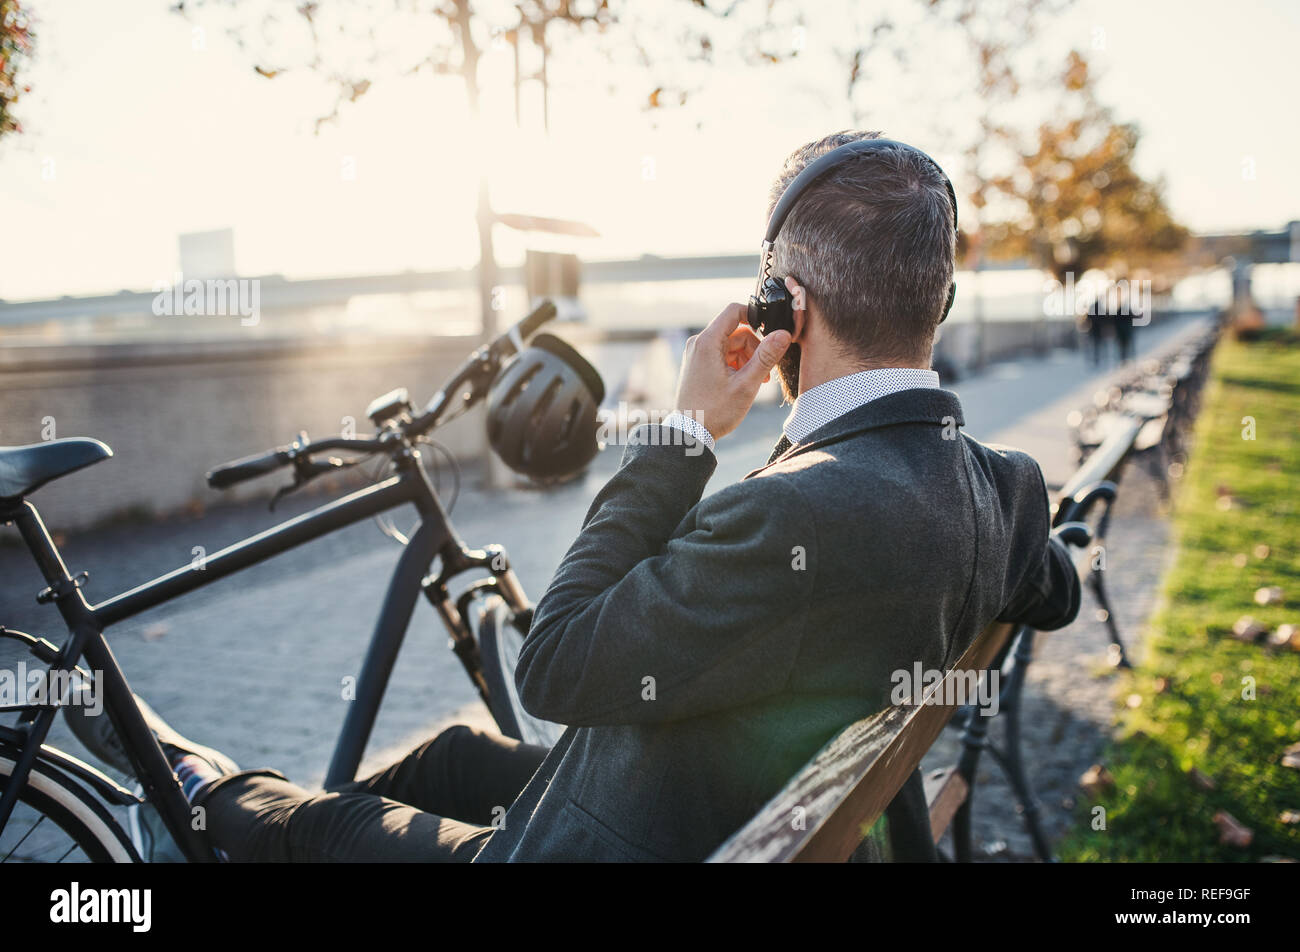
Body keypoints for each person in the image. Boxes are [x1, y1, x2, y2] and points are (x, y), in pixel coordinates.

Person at [69, 131, 1081, 863]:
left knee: (315, 823)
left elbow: (551, 664)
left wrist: (682, 435)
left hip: (651, 834)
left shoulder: (792, 512)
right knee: (456, 754)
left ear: (786, 308)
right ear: (937, 300)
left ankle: (189, 789)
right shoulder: (1001, 488)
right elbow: (1055, 587)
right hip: (717, 803)